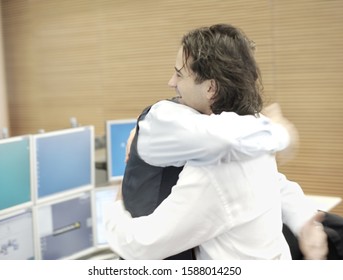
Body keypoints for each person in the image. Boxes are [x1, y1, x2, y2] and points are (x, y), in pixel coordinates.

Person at [104, 24, 327, 259]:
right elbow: (272, 182)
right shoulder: (253, 139)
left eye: (179, 73)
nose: (171, 82)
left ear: (210, 88)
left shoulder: (216, 167)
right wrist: (303, 220)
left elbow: (142, 245)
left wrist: (116, 205)